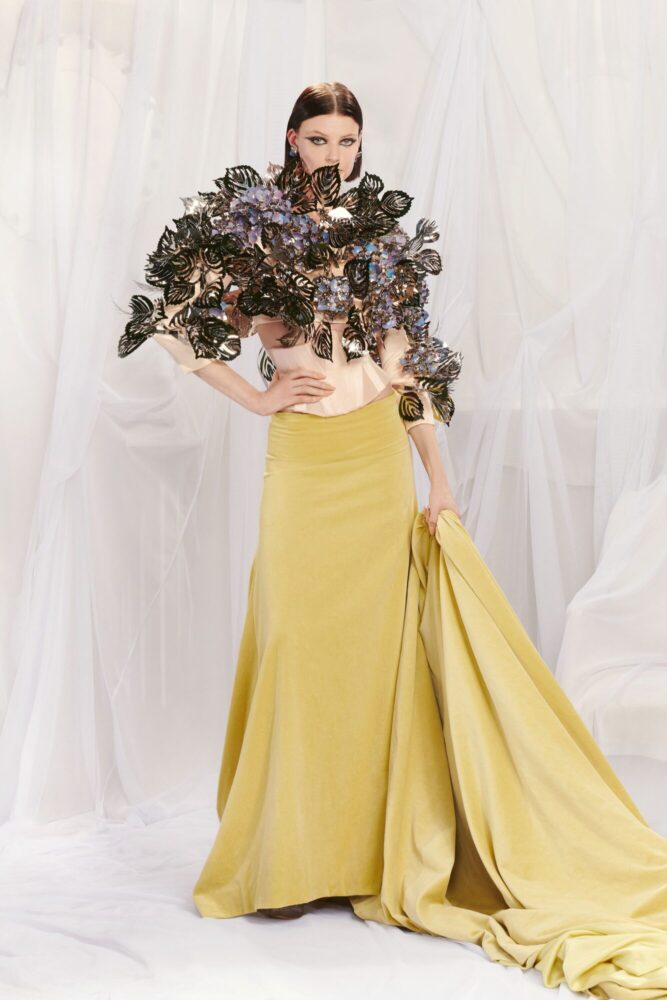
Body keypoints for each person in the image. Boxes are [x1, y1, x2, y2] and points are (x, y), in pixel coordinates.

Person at [120, 82, 667, 999]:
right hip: (303, 459)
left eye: (348, 139)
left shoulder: (378, 237)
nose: (334, 152)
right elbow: (171, 317)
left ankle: (366, 854)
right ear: (291, 140)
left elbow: (403, 365)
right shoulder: (248, 227)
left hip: (376, 457)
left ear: (359, 146)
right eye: (319, 137)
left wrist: (437, 478)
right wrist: (254, 396)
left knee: (371, 658)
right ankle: (287, 859)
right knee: (295, 644)